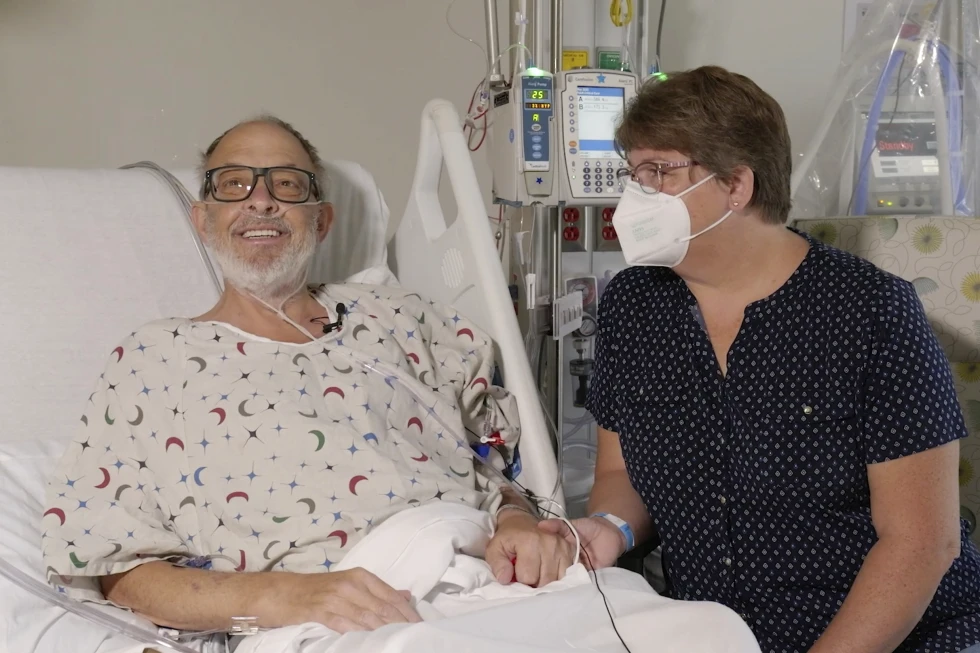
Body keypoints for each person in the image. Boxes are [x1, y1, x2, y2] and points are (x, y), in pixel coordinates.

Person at [39, 115, 575, 635]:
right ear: (202, 220)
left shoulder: (403, 318)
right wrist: (284, 595)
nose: (261, 199)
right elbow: (117, 572)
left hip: (495, 578)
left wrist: (517, 521)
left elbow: (496, 460)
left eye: (288, 184)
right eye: (234, 183)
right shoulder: (154, 359)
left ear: (322, 221)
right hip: (340, 622)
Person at [538, 66, 980, 652]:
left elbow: (922, 544)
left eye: (658, 172)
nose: (632, 196)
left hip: (895, 634)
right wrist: (610, 529)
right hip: (717, 634)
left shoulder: (869, 313)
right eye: (632, 173)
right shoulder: (634, 305)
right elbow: (621, 473)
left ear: (737, 186)